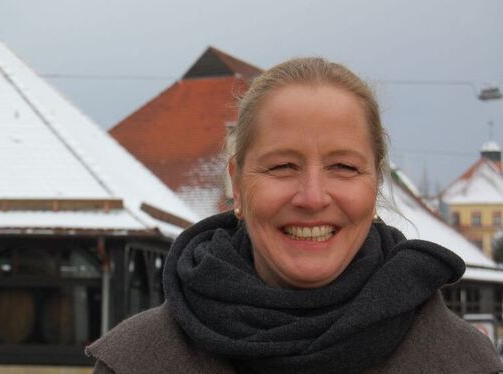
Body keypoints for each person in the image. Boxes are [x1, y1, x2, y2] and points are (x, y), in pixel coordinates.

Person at [86, 57, 503, 373]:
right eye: (282, 166)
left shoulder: (463, 363)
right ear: (237, 184)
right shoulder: (137, 363)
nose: (312, 196)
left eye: (343, 167)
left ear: (375, 185)